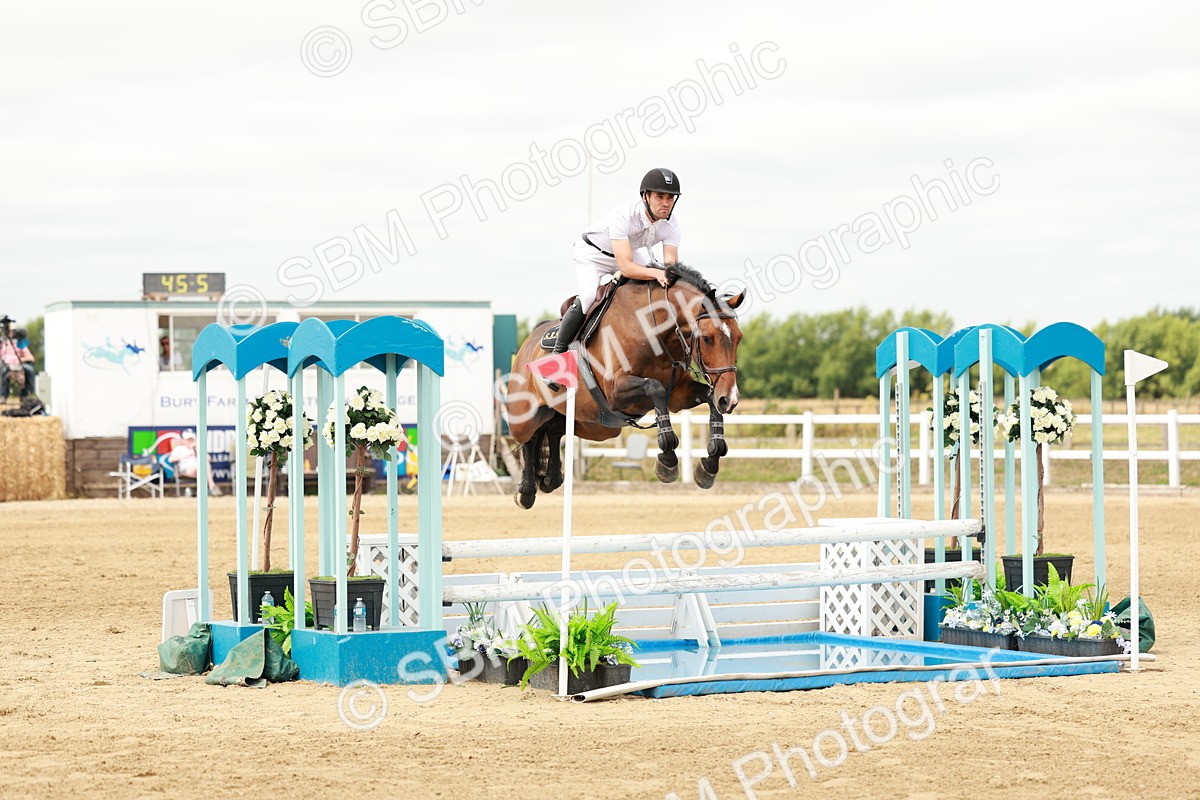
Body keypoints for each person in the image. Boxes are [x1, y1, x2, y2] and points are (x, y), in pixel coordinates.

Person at [551, 167, 682, 354]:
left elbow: (670, 267)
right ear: (645, 196)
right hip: (593, 253)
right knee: (588, 296)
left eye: (670, 198)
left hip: (629, 251)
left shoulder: (671, 224)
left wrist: (667, 276)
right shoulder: (624, 215)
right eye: (660, 197)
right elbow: (626, 267)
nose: (666, 203)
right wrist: (656, 273)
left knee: (657, 285)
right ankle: (558, 353)